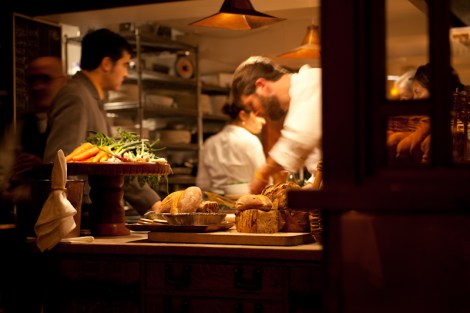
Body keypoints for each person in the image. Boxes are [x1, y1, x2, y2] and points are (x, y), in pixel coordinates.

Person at [43, 28, 162, 214]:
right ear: (107, 63)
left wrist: (154, 205)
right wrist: (74, 217)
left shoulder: (91, 97)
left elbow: (114, 163)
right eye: (125, 64)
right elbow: (59, 164)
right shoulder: (76, 97)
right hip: (79, 216)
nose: (125, 73)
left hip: (93, 213)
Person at [231, 56, 322, 194]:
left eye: (251, 104)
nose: (255, 114)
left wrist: (262, 175)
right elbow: (322, 173)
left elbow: (298, 141)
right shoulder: (301, 104)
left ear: (261, 85)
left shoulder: (312, 81)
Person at [196, 101, 266, 194]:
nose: (264, 121)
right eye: (259, 115)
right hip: (245, 204)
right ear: (243, 115)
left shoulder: (210, 143)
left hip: (216, 204)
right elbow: (263, 181)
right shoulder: (251, 141)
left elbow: (202, 184)